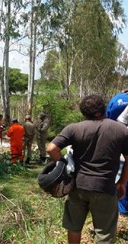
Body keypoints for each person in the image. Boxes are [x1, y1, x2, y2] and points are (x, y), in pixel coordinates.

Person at [46, 94, 128, 244]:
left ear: (83, 112)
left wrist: (63, 165)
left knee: (74, 228)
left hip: (78, 187)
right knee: (105, 234)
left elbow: (51, 149)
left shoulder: (73, 128)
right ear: (103, 109)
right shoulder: (120, 130)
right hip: (106, 188)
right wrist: (122, 182)